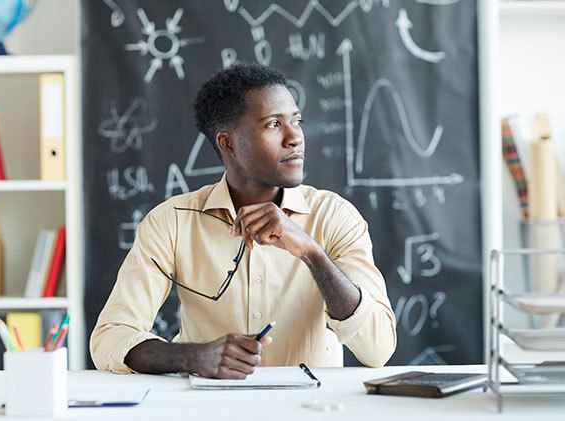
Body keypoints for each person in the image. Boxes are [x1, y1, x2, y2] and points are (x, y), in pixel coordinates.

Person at [90, 63, 396, 379]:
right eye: (273, 124)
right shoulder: (171, 222)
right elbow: (110, 339)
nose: (295, 138)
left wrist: (312, 253)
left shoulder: (334, 216)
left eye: (296, 121)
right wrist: (193, 356)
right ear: (228, 143)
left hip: (309, 409)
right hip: (210, 409)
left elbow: (378, 349)